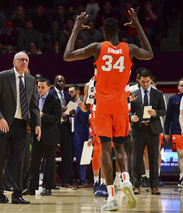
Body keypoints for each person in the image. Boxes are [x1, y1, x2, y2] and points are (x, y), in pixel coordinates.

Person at [64, 9, 153, 210]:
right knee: (121, 147)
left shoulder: (97, 47)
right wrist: (138, 26)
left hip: (102, 104)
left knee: (105, 149)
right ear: (118, 33)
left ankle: (111, 197)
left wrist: (76, 29)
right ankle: (127, 180)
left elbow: (67, 55)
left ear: (104, 33)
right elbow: (149, 53)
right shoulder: (129, 48)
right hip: (121, 103)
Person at [0, 51, 41, 204]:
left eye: (27, 60)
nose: (24, 62)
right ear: (14, 62)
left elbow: (34, 106)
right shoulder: (3, 76)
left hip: (21, 125)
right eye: (21, 60)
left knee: (18, 160)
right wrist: (0, 118)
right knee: (0, 159)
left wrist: (37, 124)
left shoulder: (30, 80)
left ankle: (17, 194)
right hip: (2, 125)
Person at [130, 69, 165, 195]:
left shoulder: (158, 94)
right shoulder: (133, 94)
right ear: (139, 80)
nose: (145, 84)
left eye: (147, 82)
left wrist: (156, 113)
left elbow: (163, 110)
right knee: (137, 159)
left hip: (153, 129)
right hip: (138, 129)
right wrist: (131, 117)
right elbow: (129, 110)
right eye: (143, 81)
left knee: (153, 158)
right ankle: (136, 185)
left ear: (151, 80)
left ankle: (154, 186)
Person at [23, 78, 61, 196]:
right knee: (34, 162)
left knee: (49, 163)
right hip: (36, 135)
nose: (40, 89)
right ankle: (31, 187)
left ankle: (49, 187)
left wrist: (42, 115)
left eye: (42, 87)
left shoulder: (54, 100)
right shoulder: (34, 98)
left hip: (49, 136)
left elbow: (56, 119)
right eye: (38, 87)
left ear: (49, 88)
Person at [49, 75, 74, 188]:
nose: (61, 83)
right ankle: (49, 181)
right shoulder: (50, 94)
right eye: (59, 81)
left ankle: (66, 181)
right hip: (53, 126)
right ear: (54, 82)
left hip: (65, 125)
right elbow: (48, 109)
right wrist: (59, 110)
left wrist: (72, 112)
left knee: (67, 154)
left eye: (63, 81)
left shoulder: (68, 95)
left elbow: (69, 110)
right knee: (50, 153)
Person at [69, 85, 90, 187]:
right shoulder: (69, 104)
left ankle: (83, 180)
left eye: (71, 92)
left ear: (77, 92)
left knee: (81, 158)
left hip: (81, 135)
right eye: (69, 92)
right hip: (70, 134)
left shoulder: (83, 105)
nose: (70, 94)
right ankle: (72, 180)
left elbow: (88, 119)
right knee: (70, 158)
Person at [164, 78, 183, 187]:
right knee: (180, 154)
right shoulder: (173, 99)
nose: (182, 87)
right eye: (181, 85)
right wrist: (167, 132)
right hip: (176, 130)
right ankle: (181, 176)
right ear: (177, 87)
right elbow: (168, 117)